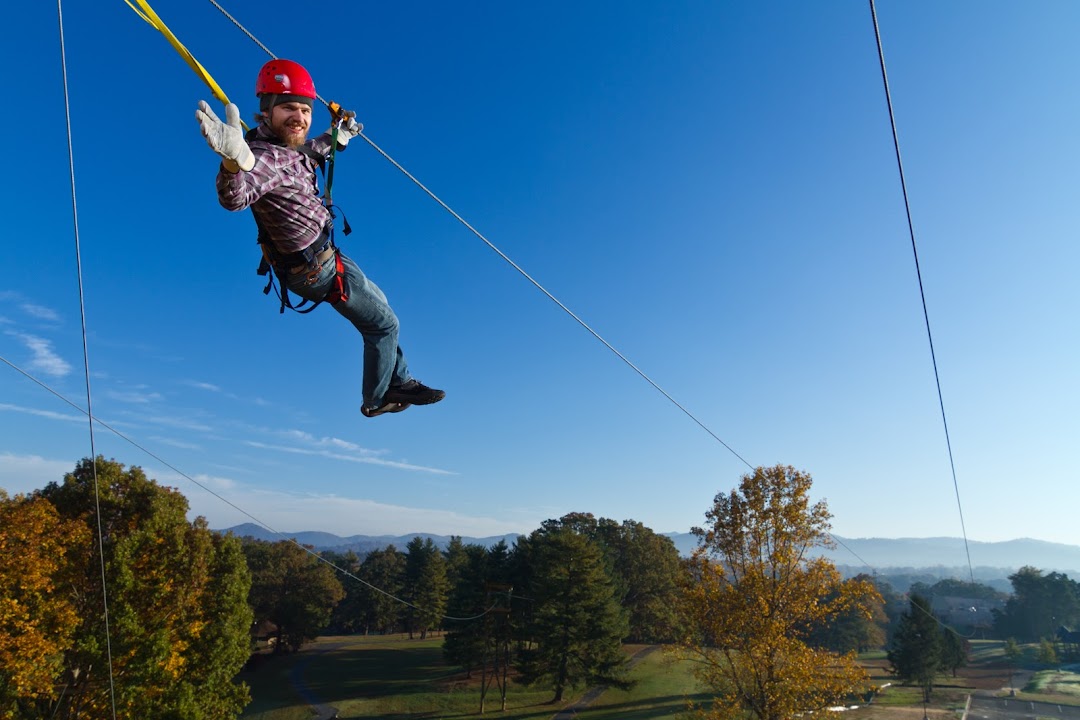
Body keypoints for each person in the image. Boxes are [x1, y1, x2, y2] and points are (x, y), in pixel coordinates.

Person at [195, 59, 444, 418]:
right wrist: (232, 162)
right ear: (265, 114)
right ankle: (376, 400)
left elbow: (312, 151)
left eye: (304, 110)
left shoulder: (289, 147)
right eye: (288, 108)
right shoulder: (261, 158)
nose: (299, 116)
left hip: (327, 256)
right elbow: (234, 198)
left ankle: (398, 378)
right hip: (313, 272)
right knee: (384, 325)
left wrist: (339, 135)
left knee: (382, 306)